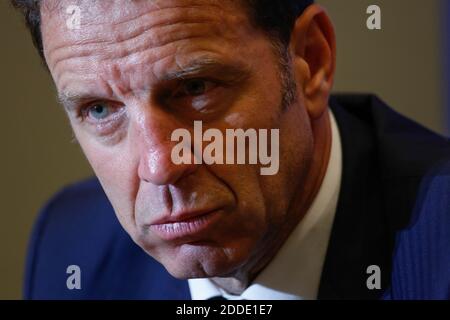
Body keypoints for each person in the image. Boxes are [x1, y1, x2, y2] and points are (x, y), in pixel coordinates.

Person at [12, 0, 450, 300]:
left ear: (310, 62)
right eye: (101, 109)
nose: (159, 166)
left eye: (194, 88)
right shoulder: (70, 246)